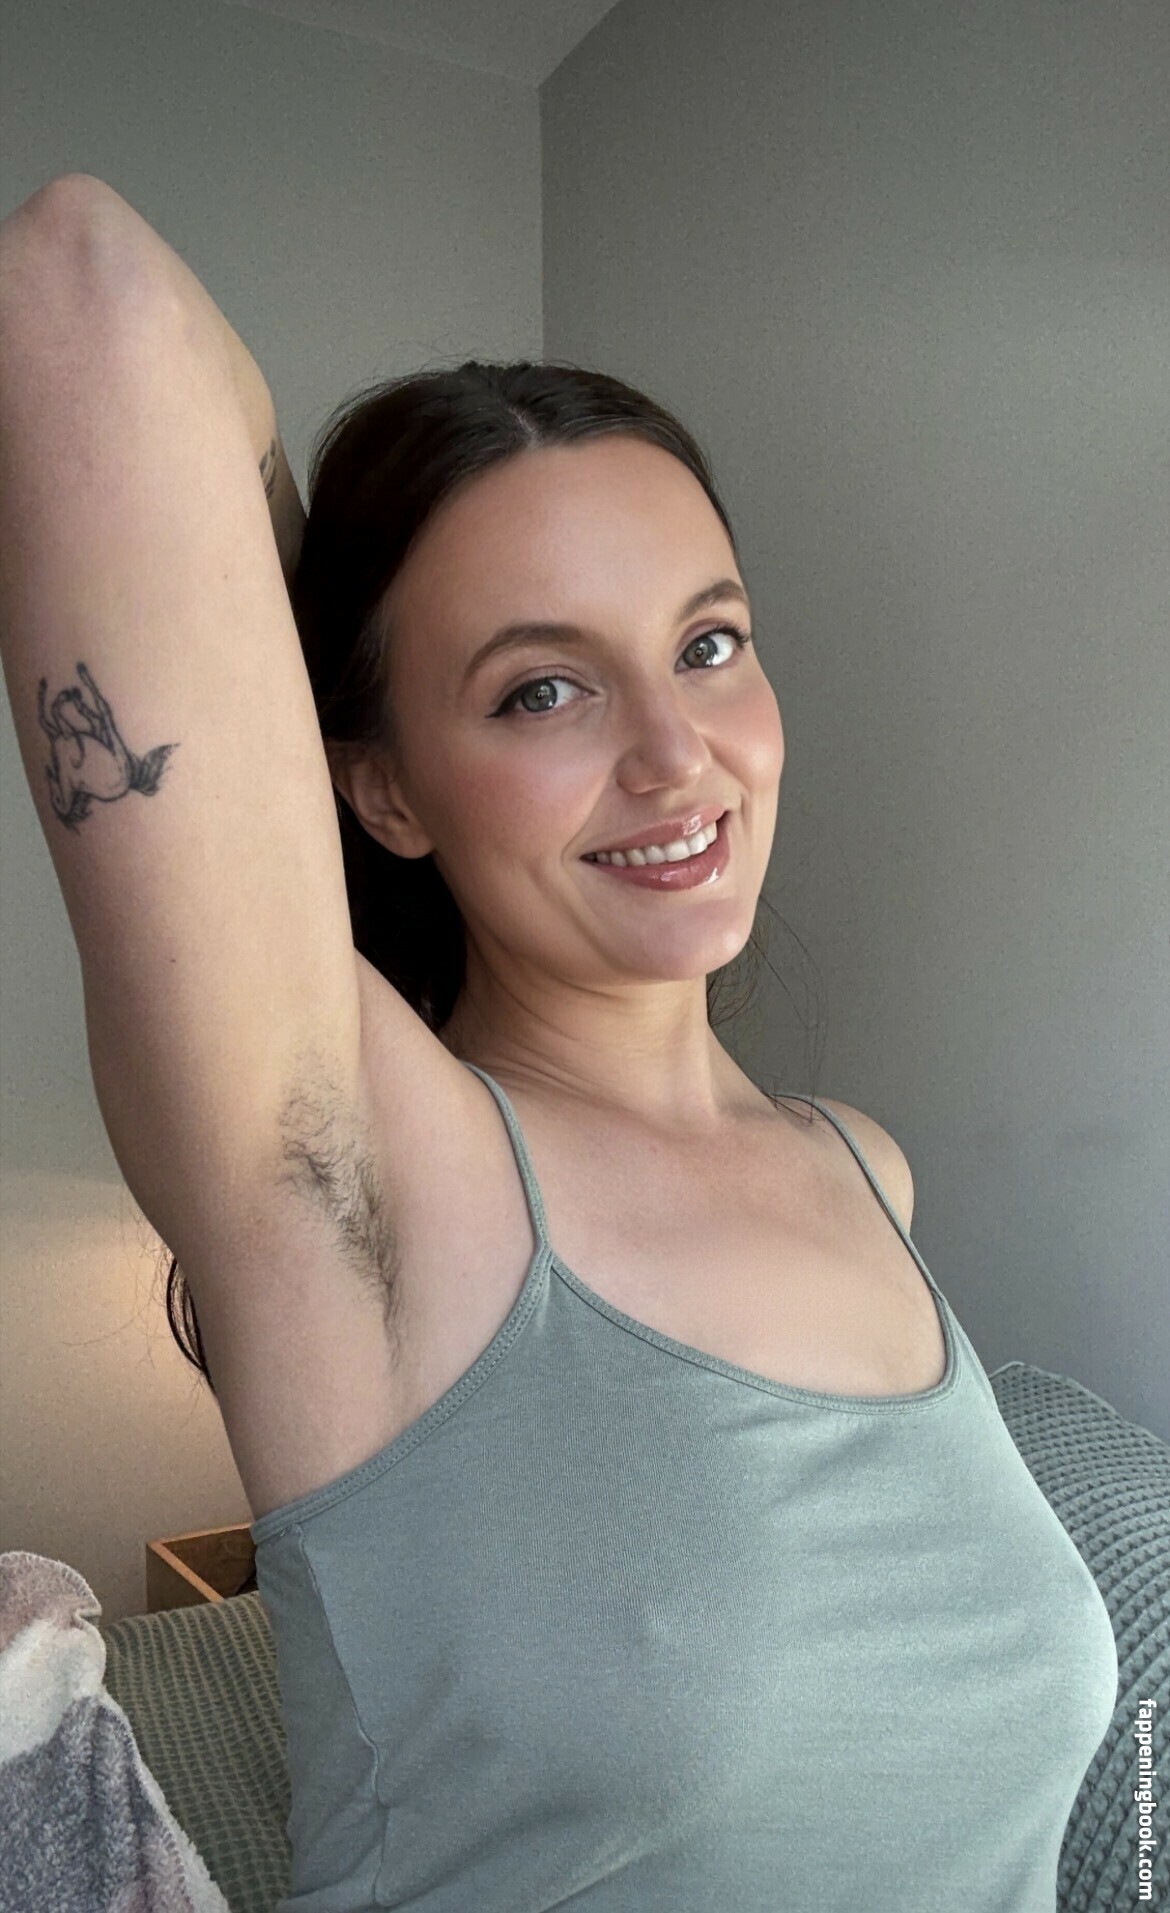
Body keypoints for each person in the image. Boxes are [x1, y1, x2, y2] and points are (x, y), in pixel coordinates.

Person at [0, 176, 1118, 1911]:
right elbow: (75, 290)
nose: (677, 755)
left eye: (707, 643)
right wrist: (319, 641)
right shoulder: (370, 1187)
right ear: (380, 786)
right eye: (542, 686)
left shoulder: (860, 1168)